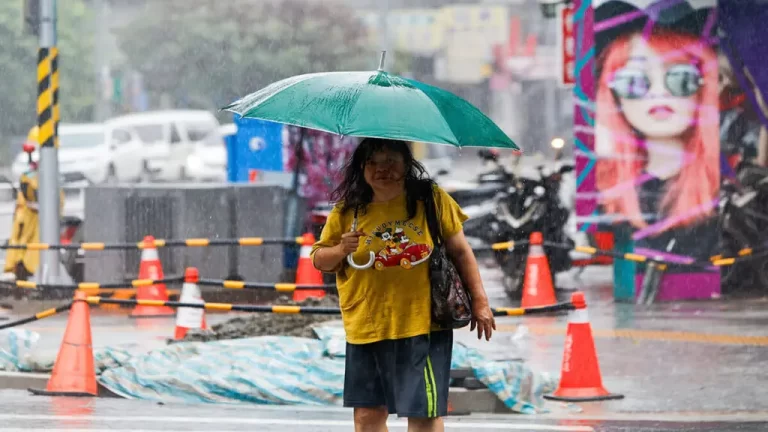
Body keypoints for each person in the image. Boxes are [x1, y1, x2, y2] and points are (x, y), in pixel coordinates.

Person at [311, 138, 495, 432]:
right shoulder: (348, 210)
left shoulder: (430, 199)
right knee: (367, 417)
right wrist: (341, 249)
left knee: (422, 415)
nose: (381, 169)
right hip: (366, 327)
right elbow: (320, 259)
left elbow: (461, 251)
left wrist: (481, 302)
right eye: (372, 162)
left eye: (390, 161)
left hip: (422, 326)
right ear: (361, 167)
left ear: (407, 164)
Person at [594, 27, 720, 258]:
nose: (658, 93)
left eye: (681, 77)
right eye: (633, 81)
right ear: (613, 96)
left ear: (704, 87)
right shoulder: (605, 191)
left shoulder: (727, 185)